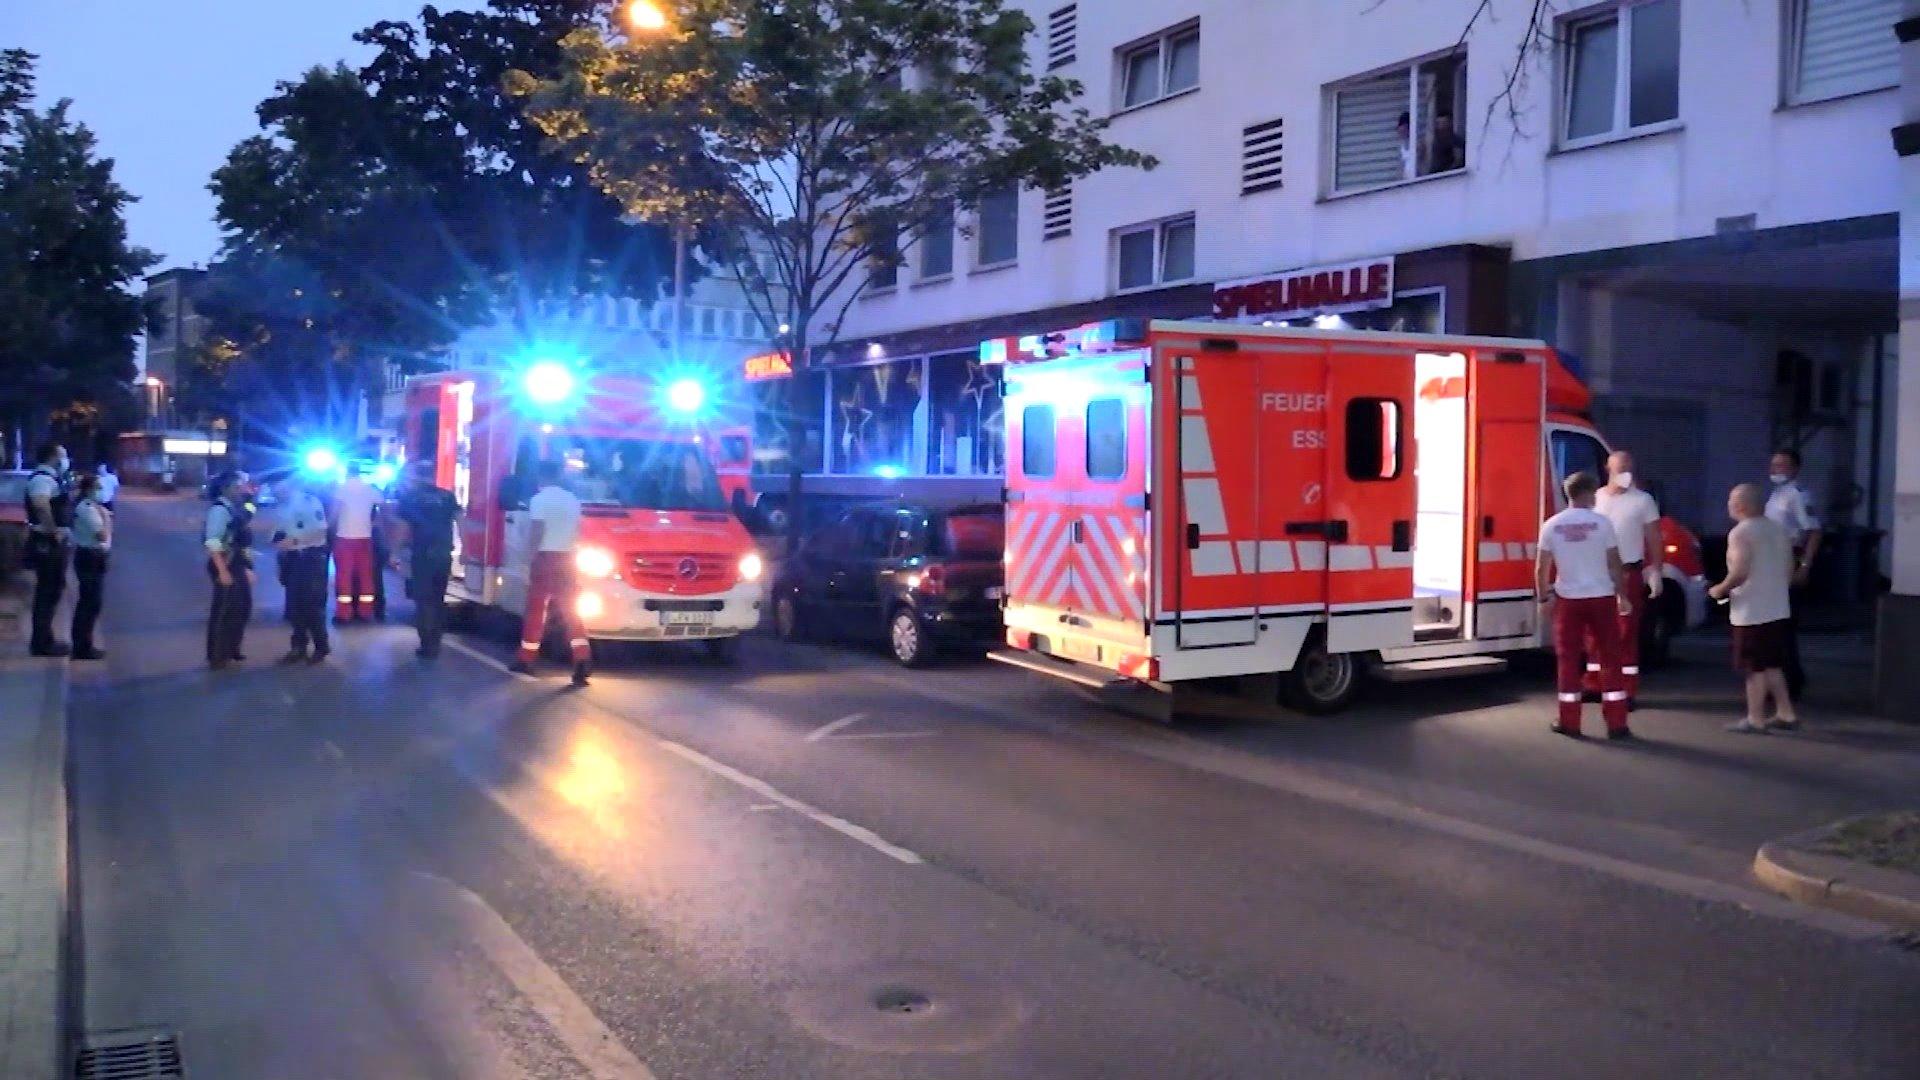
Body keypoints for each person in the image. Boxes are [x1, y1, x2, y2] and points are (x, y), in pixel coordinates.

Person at [1536, 470, 1634, 740]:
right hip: (1601, 598)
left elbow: (1542, 568)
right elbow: (1615, 563)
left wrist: (1543, 598)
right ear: (1590, 493)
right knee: (1610, 659)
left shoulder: (1552, 525)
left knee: (1568, 660)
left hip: (1568, 601)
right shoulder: (1602, 524)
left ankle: (1570, 721)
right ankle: (1616, 724)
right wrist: (1622, 595)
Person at [1711, 483, 1797, 733]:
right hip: (1778, 607)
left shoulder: (1740, 533)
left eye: (1730, 500)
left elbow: (1740, 571)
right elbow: (1789, 569)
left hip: (1751, 611)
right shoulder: (1778, 530)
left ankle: (1755, 718)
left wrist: (1720, 589)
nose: (1727, 504)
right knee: (1773, 664)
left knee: (1753, 667)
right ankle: (1786, 713)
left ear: (1740, 505)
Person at [1591, 449, 1663, 706]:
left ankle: (1625, 689)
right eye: (1621, 469)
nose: (1626, 474)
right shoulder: (1596, 498)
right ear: (1608, 469)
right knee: (1595, 630)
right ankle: (1594, 683)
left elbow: (1654, 536)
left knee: (1625, 631)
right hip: (1596, 572)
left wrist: (1655, 570)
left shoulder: (1643, 500)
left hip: (1628, 571)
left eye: (1629, 469)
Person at [512, 458, 591, 686]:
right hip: (568, 558)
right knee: (571, 611)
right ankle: (582, 659)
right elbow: (578, 531)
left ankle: (526, 658)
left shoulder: (538, 500)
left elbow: (538, 530)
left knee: (537, 609)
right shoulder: (573, 500)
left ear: (541, 477)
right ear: (559, 476)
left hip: (546, 558)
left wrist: (528, 557)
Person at [1764, 448, 1820, 701]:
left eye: (1782, 465)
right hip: (1771, 562)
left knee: (1782, 624)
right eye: (1774, 465)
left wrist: (1805, 565)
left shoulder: (1797, 496)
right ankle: (1784, 678)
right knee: (1773, 624)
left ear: (1795, 468)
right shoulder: (1776, 496)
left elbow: (1814, 531)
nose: (1776, 470)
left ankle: (1789, 681)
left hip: (1788, 560)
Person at [393, 461, 461, 661]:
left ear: (415, 477)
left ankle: (426, 644)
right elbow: (461, 520)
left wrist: (395, 552)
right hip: (443, 553)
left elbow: (403, 529)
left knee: (423, 600)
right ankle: (436, 641)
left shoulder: (410, 498)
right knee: (438, 599)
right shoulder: (447, 496)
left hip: (422, 554)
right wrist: (465, 548)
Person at [272, 471, 331, 664]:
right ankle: (298, 647)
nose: (275, 491)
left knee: (312, 605)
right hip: (292, 558)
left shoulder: (308, 501)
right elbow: (281, 531)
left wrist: (295, 540)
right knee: (295, 606)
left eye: (278, 487)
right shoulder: (283, 505)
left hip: (310, 558)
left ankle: (321, 647)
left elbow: (321, 531)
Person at [22, 442, 72, 658]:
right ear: (53, 456)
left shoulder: (50, 479)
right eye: (63, 454)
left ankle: (46, 639)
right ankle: (41, 643)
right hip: (46, 542)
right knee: (47, 592)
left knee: (52, 591)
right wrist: (54, 532)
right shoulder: (42, 480)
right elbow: (41, 506)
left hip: (50, 541)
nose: (65, 459)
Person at [204, 470, 255, 669]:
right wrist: (222, 571)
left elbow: (243, 540)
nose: (243, 488)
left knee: (242, 608)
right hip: (225, 563)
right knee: (224, 611)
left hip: (237, 563)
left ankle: (232, 648)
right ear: (227, 488)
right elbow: (213, 542)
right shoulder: (219, 510)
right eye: (239, 485)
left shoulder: (235, 508)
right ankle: (217, 655)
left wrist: (248, 568)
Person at [330, 461, 382, 623]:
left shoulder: (342, 488)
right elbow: (383, 505)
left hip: (344, 538)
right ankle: (365, 612)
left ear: (347, 471)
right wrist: (375, 524)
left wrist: (327, 528)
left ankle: (344, 614)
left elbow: (334, 513)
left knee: (344, 576)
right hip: (365, 538)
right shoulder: (369, 489)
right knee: (365, 576)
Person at [68, 472, 111, 661]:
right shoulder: (87, 508)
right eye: (98, 488)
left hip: (94, 556)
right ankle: (82, 647)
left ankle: (85, 644)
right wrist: (108, 520)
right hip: (88, 556)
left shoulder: (94, 507)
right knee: (88, 603)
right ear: (88, 490)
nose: (101, 491)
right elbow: (102, 535)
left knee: (92, 603)